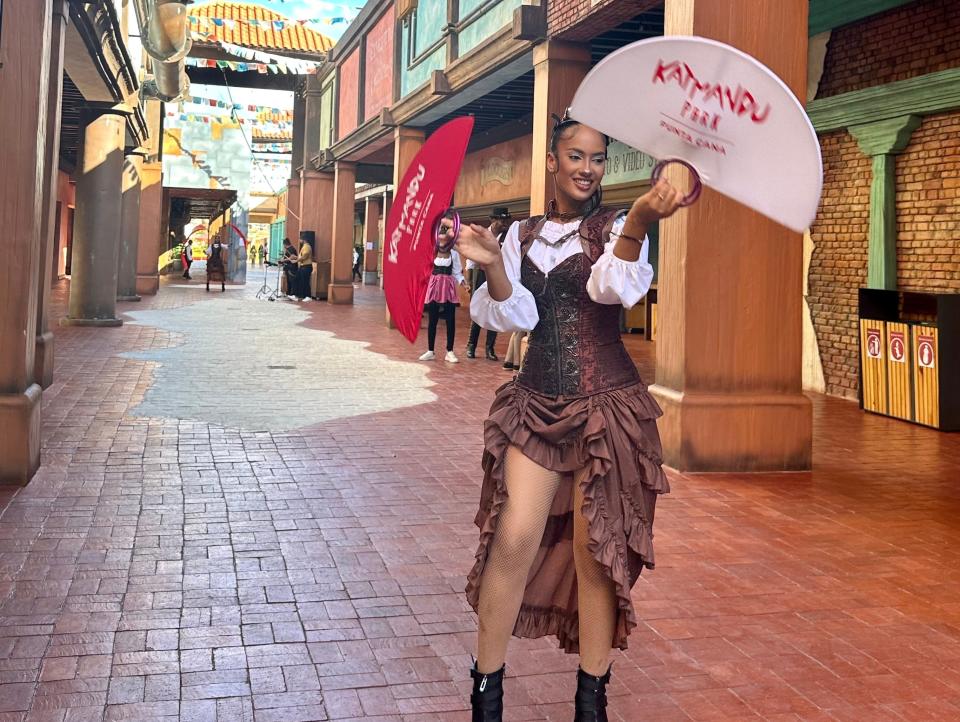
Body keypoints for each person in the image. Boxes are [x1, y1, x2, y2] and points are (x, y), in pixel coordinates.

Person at [455, 111, 683, 721]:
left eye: (598, 158)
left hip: (606, 409)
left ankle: (591, 700)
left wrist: (636, 220)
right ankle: (486, 692)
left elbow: (614, 290)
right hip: (538, 404)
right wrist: (494, 265)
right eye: (576, 156)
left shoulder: (612, 229)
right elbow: (518, 318)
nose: (587, 168)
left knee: (594, 554)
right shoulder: (521, 235)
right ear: (552, 161)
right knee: (513, 538)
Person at [419, 222, 468, 364]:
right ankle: (430, 351)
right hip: (434, 287)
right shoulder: (432, 250)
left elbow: (457, 272)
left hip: (448, 288)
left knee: (450, 320)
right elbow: (425, 270)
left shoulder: (454, 252)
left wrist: (464, 283)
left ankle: (450, 351)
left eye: (445, 232)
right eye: (440, 232)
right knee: (432, 319)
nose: (442, 235)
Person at [465, 209, 511, 361]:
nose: (505, 223)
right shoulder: (481, 236)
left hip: (497, 277)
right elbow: (471, 260)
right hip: (481, 275)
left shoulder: (508, 237)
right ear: (493, 220)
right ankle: (471, 346)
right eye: (502, 220)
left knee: (495, 312)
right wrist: (469, 282)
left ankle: (489, 348)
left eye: (506, 220)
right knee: (478, 311)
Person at [294, 236, 313, 302]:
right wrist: (296, 257)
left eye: (300, 239)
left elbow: (305, 255)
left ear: (303, 240)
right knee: (300, 281)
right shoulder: (304, 246)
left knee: (305, 282)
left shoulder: (306, 246)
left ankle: (308, 296)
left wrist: (297, 260)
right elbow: (302, 256)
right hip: (303, 266)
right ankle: (301, 296)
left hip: (306, 266)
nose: (299, 241)